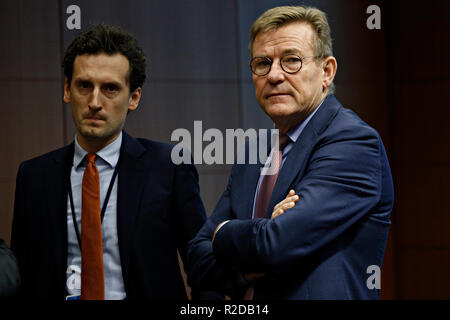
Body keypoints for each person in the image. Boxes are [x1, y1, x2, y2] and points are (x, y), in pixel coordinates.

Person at [187, 6, 394, 299]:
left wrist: (223, 232)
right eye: (262, 63)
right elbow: (197, 258)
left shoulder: (353, 143)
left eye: (291, 61)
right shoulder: (254, 152)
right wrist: (252, 262)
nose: (274, 75)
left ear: (326, 71)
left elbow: (275, 244)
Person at [10, 24, 208, 300]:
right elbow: (19, 275)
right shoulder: (34, 175)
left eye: (110, 89)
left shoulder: (169, 167)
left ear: (134, 97)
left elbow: (203, 265)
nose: (94, 102)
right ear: (67, 90)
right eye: (84, 86)